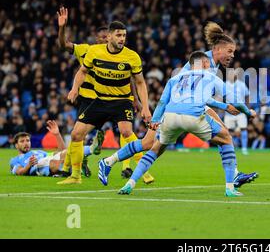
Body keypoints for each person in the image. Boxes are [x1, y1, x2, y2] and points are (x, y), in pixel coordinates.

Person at [98, 51, 256, 196]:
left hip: (170, 115)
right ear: (206, 64)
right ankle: (230, 188)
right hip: (194, 115)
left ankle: (129, 184)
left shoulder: (175, 78)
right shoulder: (210, 77)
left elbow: (162, 102)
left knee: (155, 148)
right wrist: (248, 112)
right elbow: (235, 100)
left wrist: (155, 120)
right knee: (226, 138)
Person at [57, 21, 154, 185]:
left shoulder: (132, 56)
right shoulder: (94, 51)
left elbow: (139, 82)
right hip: (99, 100)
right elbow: (82, 71)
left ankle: (143, 170)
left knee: (126, 131)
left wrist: (145, 106)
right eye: (118, 35)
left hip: (121, 102)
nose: (122, 38)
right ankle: (75, 176)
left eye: (124, 35)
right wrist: (74, 89)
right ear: (109, 37)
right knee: (76, 134)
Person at [180, 22, 259, 186]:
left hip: (192, 104)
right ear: (218, 49)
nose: (232, 56)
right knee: (150, 145)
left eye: (234, 52)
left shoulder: (211, 62)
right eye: (230, 51)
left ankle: (235, 175)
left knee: (224, 134)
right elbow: (204, 97)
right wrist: (229, 107)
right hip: (183, 105)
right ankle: (112, 162)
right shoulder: (205, 63)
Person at [10, 121, 99, 177]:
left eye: (27, 140)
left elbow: (61, 151)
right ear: (16, 145)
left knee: (66, 152)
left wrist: (57, 134)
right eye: (22, 141)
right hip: (39, 166)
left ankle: (91, 149)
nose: (26, 143)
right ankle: (78, 165)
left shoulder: (38, 152)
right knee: (54, 163)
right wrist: (29, 165)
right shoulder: (15, 160)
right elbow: (19, 172)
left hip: (47, 160)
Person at [224, 71, 250, 154]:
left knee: (243, 128)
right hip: (229, 111)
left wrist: (247, 108)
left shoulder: (242, 85)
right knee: (226, 131)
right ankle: (229, 148)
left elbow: (247, 95)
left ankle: (244, 148)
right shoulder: (225, 84)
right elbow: (221, 96)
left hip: (240, 111)